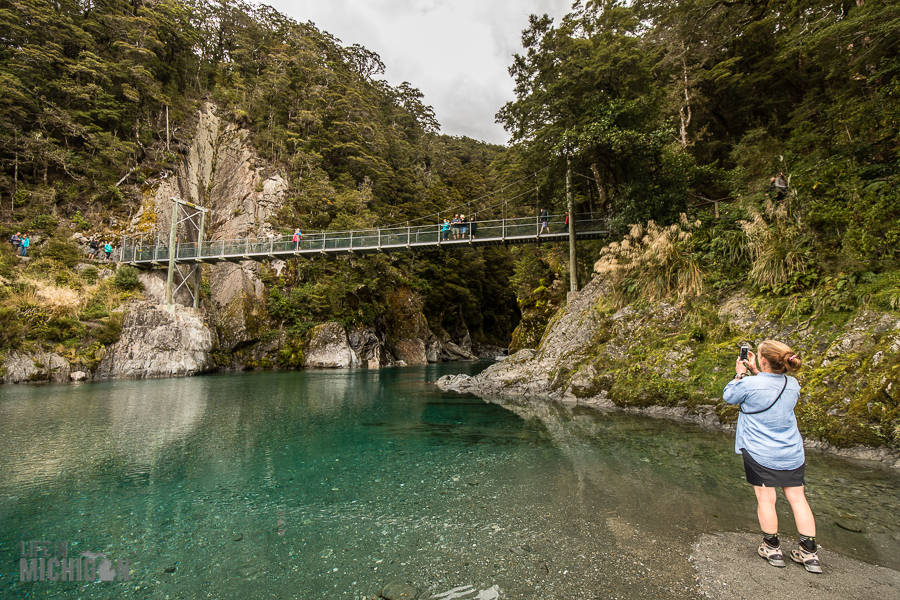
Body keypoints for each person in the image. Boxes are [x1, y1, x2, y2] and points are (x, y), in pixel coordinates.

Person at [723, 340, 822, 574]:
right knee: (798, 499)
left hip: (760, 451)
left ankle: (772, 547)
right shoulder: (793, 383)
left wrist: (740, 374)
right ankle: (809, 552)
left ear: (764, 360)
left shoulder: (748, 384)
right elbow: (772, 389)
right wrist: (758, 372)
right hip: (791, 451)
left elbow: (729, 396)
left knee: (766, 499)